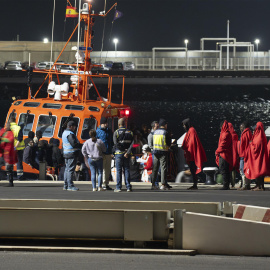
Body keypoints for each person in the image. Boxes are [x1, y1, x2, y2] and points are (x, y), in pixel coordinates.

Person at [182, 118, 207, 190]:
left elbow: (192, 143)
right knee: (192, 170)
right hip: (191, 154)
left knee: (193, 169)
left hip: (192, 154)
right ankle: (194, 184)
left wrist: (186, 147)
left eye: (184, 125)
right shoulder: (190, 130)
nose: (184, 126)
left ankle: (195, 184)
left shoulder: (191, 130)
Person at [244, 122, 270, 191]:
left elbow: (255, 148)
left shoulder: (259, 137)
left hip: (258, 158)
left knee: (259, 171)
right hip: (259, 157)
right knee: (258, 171)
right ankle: (258, 185)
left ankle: (260, 186)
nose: (255, 129)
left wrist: (250, 144)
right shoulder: (261, 135)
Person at [113, 118, 134, 192]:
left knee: (119, 170)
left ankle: (118, 187)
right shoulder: (130, 132)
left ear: (119, 124)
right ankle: (128, 187)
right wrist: (127, 152)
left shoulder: (116, 132)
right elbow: (132, 144)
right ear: (125, 124)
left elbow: (116, 144)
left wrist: (122, 151)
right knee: (127, 169)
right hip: (127, 155)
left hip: (118, 154)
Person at [151, 118, 171, 190]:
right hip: (163, 152)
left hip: (155, 152)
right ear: (165, 125)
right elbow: (168, 143)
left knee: (155, 169)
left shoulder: (155, 132)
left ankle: (153, 184)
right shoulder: (165, 132)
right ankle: (163, 184)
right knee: (163, 168)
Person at [96, 117, 114, 190]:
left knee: (107, 169)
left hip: (108, 152)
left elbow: (111, 142)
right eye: (105, 123)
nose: (106, 124)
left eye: (106, 123)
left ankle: (106, 183)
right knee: (102, 169)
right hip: (101, 153)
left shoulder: (109, 131)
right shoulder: (98, 131)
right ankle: (102, 183)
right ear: (102, 124)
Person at [62, 120, 81, 191]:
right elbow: (73, 144)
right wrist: (81, 145)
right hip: (71, 153)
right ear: (71, 127)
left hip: (66, 153)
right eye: (74, 127)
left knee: (67, 169)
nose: (75, 128)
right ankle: (70, 185)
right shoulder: (70, 134)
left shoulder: (64, 133)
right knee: (70, 170)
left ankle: (65, 185)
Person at [215, 120, 233, 190]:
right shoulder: (228, 134)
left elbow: (222, 144)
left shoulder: (225, 134)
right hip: (226, 154)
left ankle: (225, 185)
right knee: (226, 170)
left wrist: (217, 151)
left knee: (224, 170)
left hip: (223, 155)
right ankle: (226, 184)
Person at [0, 123, 17, 187]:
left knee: (9, 168)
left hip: (8, 154)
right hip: (2, 153)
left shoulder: (10, 133)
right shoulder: (3, 131)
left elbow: (11, 140)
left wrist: (3, 139)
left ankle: (10, 182)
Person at [9, 115, 25, 180]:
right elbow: (20, 138)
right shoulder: (18, 128)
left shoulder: (8, 128)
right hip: (18, 148)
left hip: (10, 148)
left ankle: (9, 176)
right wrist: (15, 147)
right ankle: (20, 176)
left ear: (10, 121)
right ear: (15, 121)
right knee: (19, 162)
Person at [238, 121, 252, 190]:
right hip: (245, 153)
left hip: (244, 154)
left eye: (241, 126)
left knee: (242, 169)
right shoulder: (248, 132)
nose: (240, 128)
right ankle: (247, 184)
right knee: (245, 169)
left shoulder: (245, 133)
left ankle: (245, 185)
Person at [228, 122, 239, 188]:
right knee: (233, 170)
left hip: (229, 154)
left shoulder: (228, 135)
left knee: (228, 169)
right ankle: (233, 183)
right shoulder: (235, 135)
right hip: (235, 154)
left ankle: (229, 183)